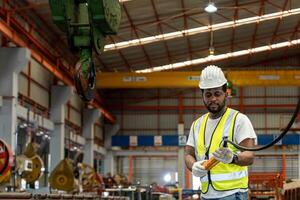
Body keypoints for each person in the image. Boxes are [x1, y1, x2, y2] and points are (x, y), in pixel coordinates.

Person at [185, 65, 257, 200]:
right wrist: (193, 165)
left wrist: (233, 158)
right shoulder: (197, 125)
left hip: (233, 194)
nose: (212, 99)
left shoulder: (239, 120)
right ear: (202, 96)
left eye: (217, 94)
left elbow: (250, 156)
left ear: (226, 93)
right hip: (206, 195)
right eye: (208, 94)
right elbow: (188, 154)